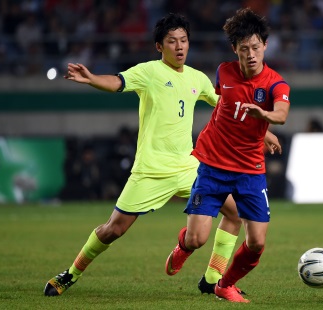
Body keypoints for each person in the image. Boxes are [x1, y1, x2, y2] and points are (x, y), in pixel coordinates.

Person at [43, 13, 281, 297]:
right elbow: (117, 82)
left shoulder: (197, 78)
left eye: (184, 41)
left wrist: (264, 131)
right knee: (113, 230)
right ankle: (71, 274)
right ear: (160, 46)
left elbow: (231, 106)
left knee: (235, 214)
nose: (179, 47)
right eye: (172, 41)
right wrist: (92, 78)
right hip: (150, 170)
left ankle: (212, 279)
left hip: (190, 167)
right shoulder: (149, 72)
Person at [165, 8, 290, 303]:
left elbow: (282, 114)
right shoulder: (224, 72)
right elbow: (225, 104)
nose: (250, 54)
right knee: (197, 238)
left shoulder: (276, 84)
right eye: (244, 48)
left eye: (256, 47)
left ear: (265, 47)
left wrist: (266, 119)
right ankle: (183, 247)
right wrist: (260, 129)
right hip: (213, 166)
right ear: (235, 49)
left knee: (257, 242)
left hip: (250, 171)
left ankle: (225, 283)